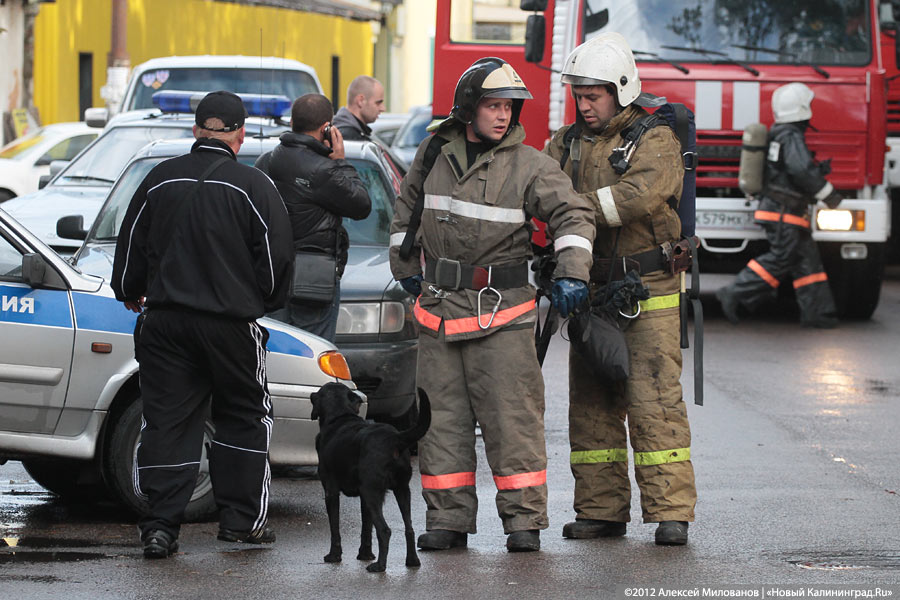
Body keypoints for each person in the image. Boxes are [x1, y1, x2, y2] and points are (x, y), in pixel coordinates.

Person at [389, 57, 595, 553]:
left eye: (508, 107)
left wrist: (571, 271)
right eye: (492, 106)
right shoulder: (433, 151)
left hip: (500, 314)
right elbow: (407, 212)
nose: (503, 116)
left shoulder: (531, 165)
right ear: (468, 109)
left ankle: (523, 523)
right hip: (437, 311)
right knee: (440, 423)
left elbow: (574, 215)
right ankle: (447, 520)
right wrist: (405, 270)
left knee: (512, 421)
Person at [111, 90, 294, 558]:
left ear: (196, 131)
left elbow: (129, 247)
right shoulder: (254, 187)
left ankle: (159, 528)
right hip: (230, 327)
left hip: (165, 325)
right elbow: (276, 261)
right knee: (245, 417)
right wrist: (262, 301)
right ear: (240, 134)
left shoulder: (158, 179)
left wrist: (130, 291)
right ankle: (240, 524)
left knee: (167, 421)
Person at [544, 32, 697, 546]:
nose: (584, 105)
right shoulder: (564, 142)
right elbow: (538, 188)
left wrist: (571, 210)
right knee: (591, 406)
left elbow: (637, 196)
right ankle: (600, 511)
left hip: (647, 288)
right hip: (590, 289)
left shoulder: (655, 139)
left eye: (594, 95)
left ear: (621, 89)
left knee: (654, 400)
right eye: (578, 96)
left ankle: (670, 512)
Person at [716, 82, 842, 328]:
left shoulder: (780, 134)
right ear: (803, 108)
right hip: (783, 211)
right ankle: (733, 292)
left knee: (807, 261)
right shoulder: (790, 135)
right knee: (782, 257)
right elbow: (799, 170)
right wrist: (829, 194)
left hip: (784, 209)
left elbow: (790, 170)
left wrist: (816, 171)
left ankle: (818, 313)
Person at [255, 93, 371, 341]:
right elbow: (361, 205)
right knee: (312, 354)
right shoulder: (325, 170)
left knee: (274, 352)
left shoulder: (265, 162)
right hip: (314, 281)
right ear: (326, 128)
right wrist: (340, 161)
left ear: (292, 124)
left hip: (271, 276)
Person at [332, 75, 386, 141]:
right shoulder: (349, 135)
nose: (383, 108)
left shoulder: (348, 132)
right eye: (378, 103)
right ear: (361, 101)